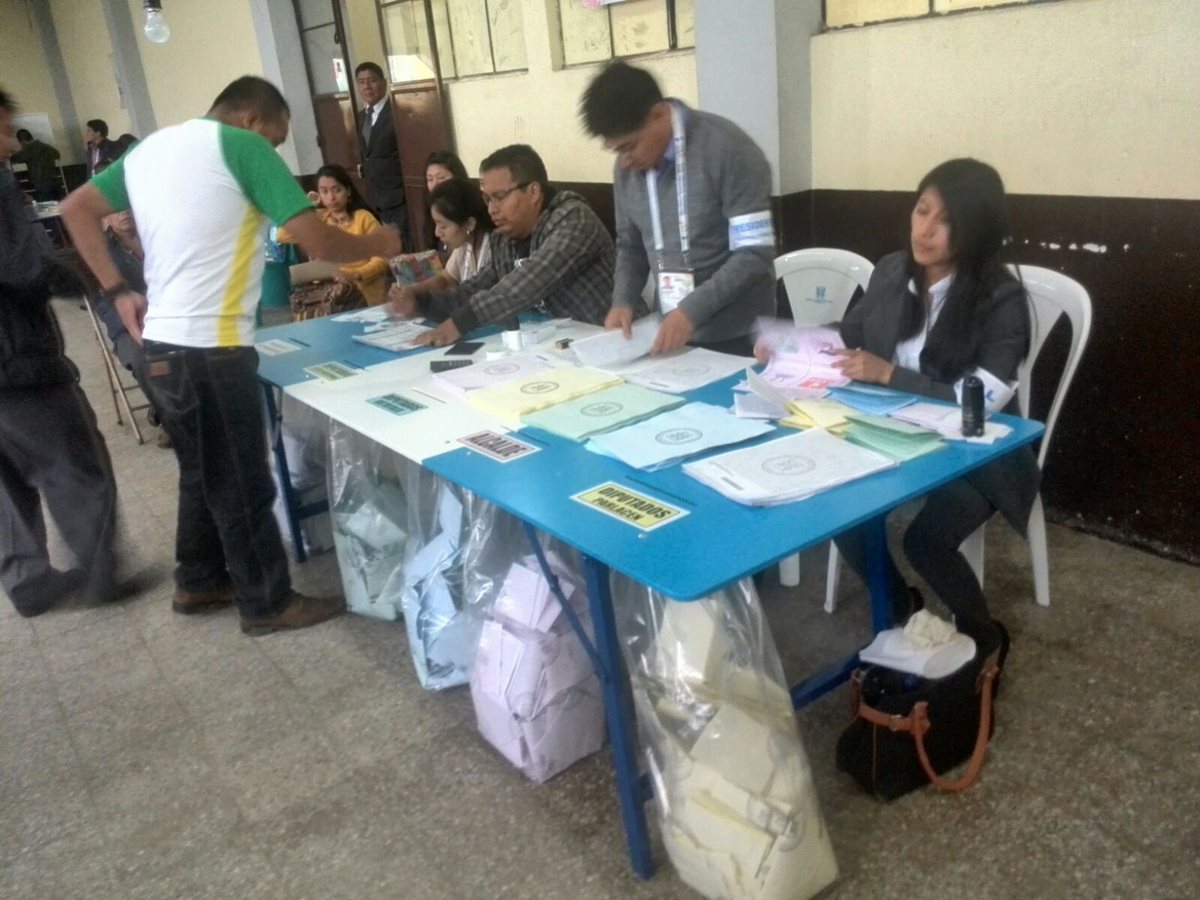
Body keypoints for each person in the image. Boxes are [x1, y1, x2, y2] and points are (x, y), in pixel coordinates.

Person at [61, 76, 402, 635]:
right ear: (251, 119)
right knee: (241, 477)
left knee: (203, 468)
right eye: (275, 138)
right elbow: (317, 242)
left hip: (165, 345)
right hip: (211, 348)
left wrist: (116, 290)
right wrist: (380, 244)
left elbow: (75, 209)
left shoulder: (149, 150)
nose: (272, 152)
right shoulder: (241, 146)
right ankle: (266, 602)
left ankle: (198, 580)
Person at [826, 158, 1038, 639]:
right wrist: (791, 344)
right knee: (838, 511)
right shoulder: (892, 271)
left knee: (926, 542)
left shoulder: (1000, 300)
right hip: (891, 433)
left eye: (947, 222)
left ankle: (984, 634)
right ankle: (902, 607)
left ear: (978, 233)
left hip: (976, 454)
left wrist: (890, 375)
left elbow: (979, 403)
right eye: (922, 211)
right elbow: (849, 335)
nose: (926, 230)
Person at [0, 87, 123, 617]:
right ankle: (101, 572)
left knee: (5, 479)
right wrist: (92, 273)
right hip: (17, 360)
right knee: (73, 460)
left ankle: (26, 578)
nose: (11, 143)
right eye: (4, 129)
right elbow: (25, 268)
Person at [580, 61, 776, 357]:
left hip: (741, 336)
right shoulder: (628, 170)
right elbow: (630, 245)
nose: (624, 161)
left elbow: (754, 254)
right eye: (616, 151)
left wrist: (691, 311)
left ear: (658, 114)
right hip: (671, 333)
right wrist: (623, 300)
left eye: (629, 146)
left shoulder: (728, 148)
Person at [390, 144, 618, 347]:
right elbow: (475, 289)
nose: (491, 210)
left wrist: (457, 325)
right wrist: (422, 302)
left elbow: (527, 283)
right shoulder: (506, 237)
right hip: (553, 347)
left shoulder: (573, 219)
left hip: (611, 341)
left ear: (533, 192)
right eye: (487, 199)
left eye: (500, 196)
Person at [281, 164, 389, 305]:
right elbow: (282, 235)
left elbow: (382, 257)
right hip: (328, 296)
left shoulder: (363, 218)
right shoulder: (319, 218)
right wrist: (306, 206)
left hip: (363, 293)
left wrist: (357, 274)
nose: (331, 197)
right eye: (324, 192)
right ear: (318, 194)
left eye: (337, 190)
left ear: (348, 191)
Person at [390, 177, 493, 298]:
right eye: (436, 224)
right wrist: (411, 290)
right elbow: (446, 279)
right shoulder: (464, 244)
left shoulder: (493, 248)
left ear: (470, 224)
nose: (437, 233)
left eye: (443, 226)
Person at [355, 62, 409, 249]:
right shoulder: (361, 117)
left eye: (372, 81)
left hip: (397, 196)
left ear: (384, 83)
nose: (367, 86)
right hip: (374, 198)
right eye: (362, 82)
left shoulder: (396, 112)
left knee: (402, 247)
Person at [423, 150, 469, 251]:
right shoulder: (430, 207)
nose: (435, 185)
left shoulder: (468, 206)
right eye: (430, 179)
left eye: (441, 178)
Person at [12, 128, 61, 201]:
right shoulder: (46, 146)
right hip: (54, 181)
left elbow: (14, 158)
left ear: (22, 141)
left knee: (46, 208)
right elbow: (57, 154)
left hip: (41, 184)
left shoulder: (28, 150)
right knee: (56, 207)